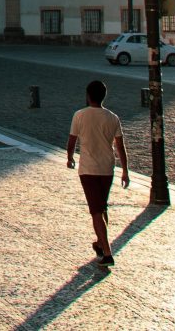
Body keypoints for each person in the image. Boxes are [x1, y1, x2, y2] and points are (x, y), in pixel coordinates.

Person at [66, 80, 129, 268]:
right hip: (107, 168)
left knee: (95, 211)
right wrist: (125, 170)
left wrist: (69, 157)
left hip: (88, 169)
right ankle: (100, 244)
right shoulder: (112, 117)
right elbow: (120, 146)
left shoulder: (79, 115)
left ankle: (107, 252)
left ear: (88, 96)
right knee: (102, 207)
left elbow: (72, 141)